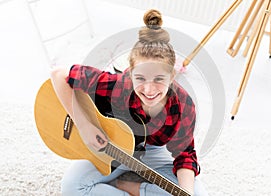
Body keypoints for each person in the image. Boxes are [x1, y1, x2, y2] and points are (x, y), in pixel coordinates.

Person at [51, 9, 208, 196]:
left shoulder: (183, 105)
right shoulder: (118, 86)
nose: (149, 91)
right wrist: (84, 126)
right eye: (140, 78)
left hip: (153, 151)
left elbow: (185, 155)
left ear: (172, 76)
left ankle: (133, 187)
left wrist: (186, 193)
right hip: (113, 147)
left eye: (159, 79)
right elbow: (58, 75)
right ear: (131, 74)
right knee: (71, 187)